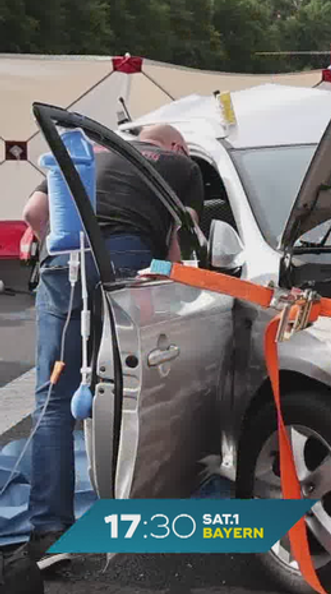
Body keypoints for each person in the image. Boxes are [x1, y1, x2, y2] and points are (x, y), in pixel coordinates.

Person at [19, 123, 203, 566]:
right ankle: (130, 519)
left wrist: (57, 261)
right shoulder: (182, 166)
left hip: (67, 260)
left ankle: (48, 533)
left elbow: (33, 213)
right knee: (132, 390)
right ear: (175, 145)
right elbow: (182, 241)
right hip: (129, 263)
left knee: (54, 400)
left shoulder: (88, 151)